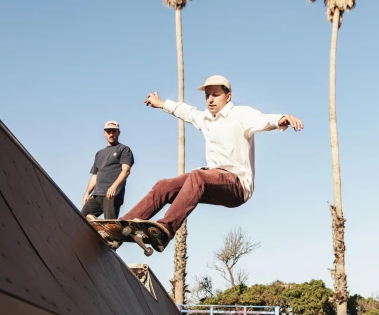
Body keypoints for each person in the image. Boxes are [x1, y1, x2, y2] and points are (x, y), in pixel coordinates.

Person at [113, 75, 303, 247]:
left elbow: (264, 119)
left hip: (237, 185)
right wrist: (162, 104)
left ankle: (165, 230)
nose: (210, 100)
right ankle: (120, 228)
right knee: (164, 186)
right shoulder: (205, 118)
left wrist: (282, 119)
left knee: (198, 176)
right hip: (212, 182)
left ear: (228, 96)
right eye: (207, 96)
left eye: (215, 95)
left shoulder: (241, 114)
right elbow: (187, 111)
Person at [82, 120, 134, 219]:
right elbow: (95, 175)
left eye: (114, 131)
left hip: (112, 195)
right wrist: (87, 193)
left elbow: (126, 171)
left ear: (119, 132)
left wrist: (114, 186)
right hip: (96, 195)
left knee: (109, 224)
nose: (111, 134)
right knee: (80, 219)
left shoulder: (123, 149)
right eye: (108, 131)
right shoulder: (99, 153)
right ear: (104, 133)